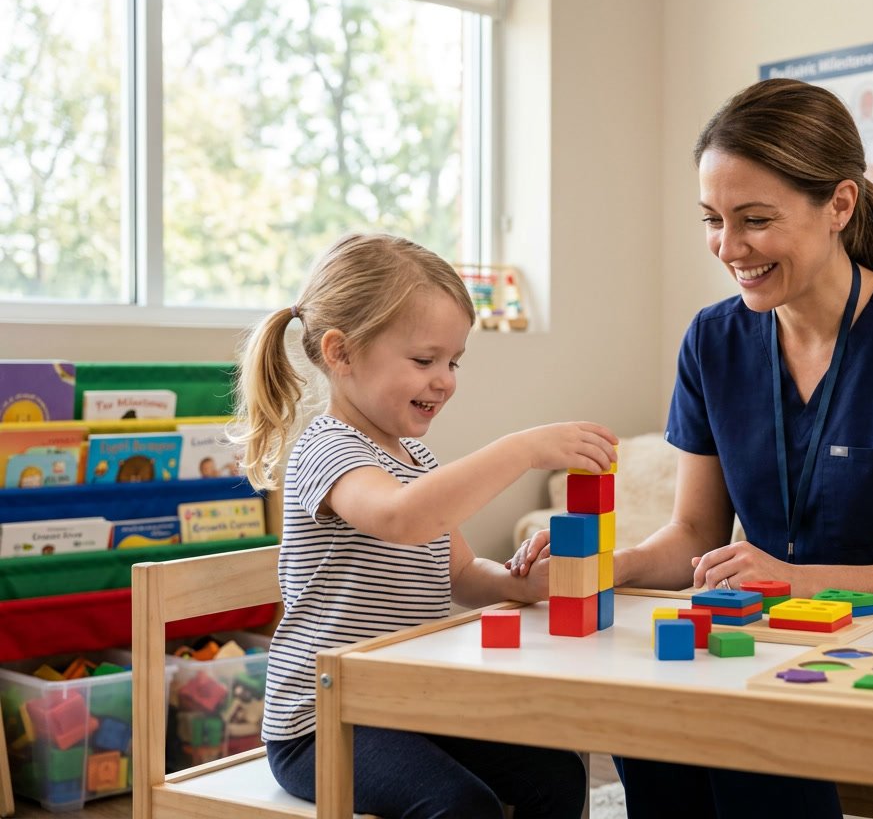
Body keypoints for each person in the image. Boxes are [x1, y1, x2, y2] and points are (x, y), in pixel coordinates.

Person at [511, 78, 873, 818]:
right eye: (712, 220)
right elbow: (694, 536)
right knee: (645, 723)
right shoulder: (712, 341)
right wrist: (592, 569)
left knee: (754, 741)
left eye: (755, 220)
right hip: (776, 635)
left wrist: (796, 579)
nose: (728, 247)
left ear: (840, 205)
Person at [232, 233, 618, 819]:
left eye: (453, 361)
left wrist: (520, 581)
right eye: (424, 360)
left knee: (557, 772)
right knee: (459, 806)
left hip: (407, 705)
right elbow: (401, 519)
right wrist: (521, 449)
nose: (446, 380)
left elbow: (460, 571)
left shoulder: (416, 462)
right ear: (341, 353)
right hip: (322, 724)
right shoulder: (328, 450)